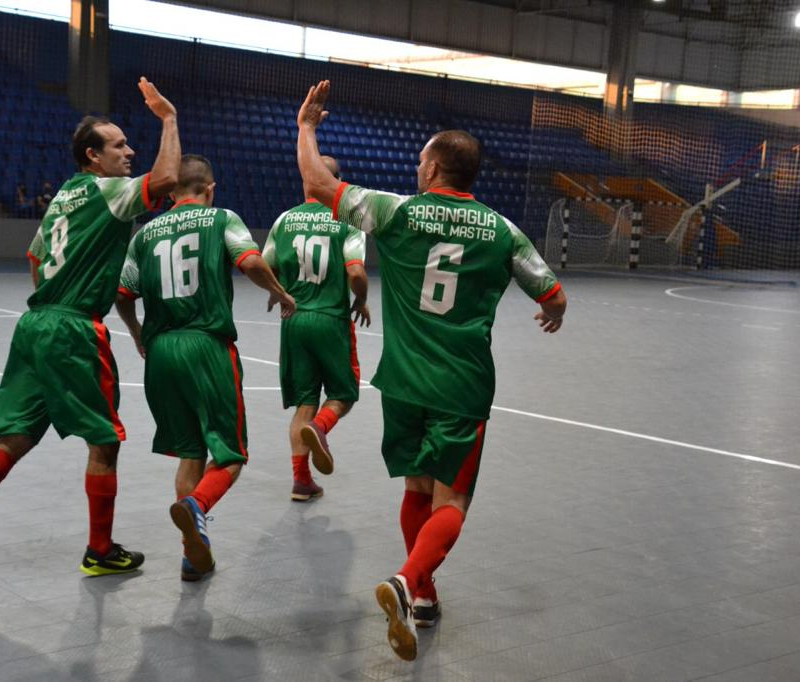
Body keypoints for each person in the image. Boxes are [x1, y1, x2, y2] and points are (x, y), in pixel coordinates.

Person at [296, 80, 567, 661]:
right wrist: (553, 312)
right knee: (453, 501)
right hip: (463, 384)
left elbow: (318, 185)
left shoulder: (396, 212)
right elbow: (551, 291)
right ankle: (406, 579)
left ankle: (423, 595)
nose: (416, 166)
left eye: (421, 159)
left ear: (436, 166)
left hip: (403, 380)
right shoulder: (502, 230)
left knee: (417, 487)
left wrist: (307, 128)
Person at [0, 77, 182, 580]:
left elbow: (35, 256)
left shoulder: (65, 194)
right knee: (105, 441)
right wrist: (169, 119)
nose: (129, 151)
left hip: (35, 323)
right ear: (93, 156)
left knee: (18, 433)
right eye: (118, 146)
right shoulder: (109, 192)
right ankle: (100, 549)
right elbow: (168, 178)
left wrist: (56, 293)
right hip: (71, 329)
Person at [115, 154, 296, 582]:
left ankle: (191, 554)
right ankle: (197, 507)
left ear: (171, 192)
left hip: (160, 354)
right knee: (230, 455)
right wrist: (281, 292)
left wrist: (138, 332)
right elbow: (250, 261)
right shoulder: (220, 219)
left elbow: (123, 293)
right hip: (207, 346)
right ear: (209, 189)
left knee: (189, 452)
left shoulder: (144, 234)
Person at [262, 156, 370, 502]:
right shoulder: (346, 220)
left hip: (293, 321)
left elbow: (264, 265)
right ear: (336, 182)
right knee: (343, 394)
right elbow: (355, 273)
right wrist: (361, 299)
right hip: (330, 320)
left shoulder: (283, 220)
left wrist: (277, 292)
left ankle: (301, 481)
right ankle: (320, 428)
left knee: (304, 401)